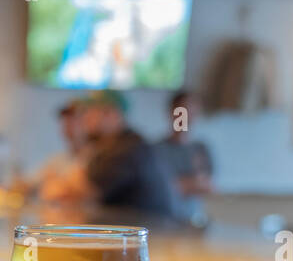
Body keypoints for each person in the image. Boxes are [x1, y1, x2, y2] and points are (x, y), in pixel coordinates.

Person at [79, 91, 179, 219]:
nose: (85, 119)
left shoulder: (129, 148)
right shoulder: (109, 147)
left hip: (151, 234)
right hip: (130, 230)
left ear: (112, 114)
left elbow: (87, 191)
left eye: (91, 112)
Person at [155, 89, 215, 226]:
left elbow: (209, 186)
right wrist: (193, 182)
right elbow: (160, 188)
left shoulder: (201, 149)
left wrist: (179, 184)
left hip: (193, 220)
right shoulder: (157, 150)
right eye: (183, 110)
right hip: (163, 220)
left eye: (192, 111)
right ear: (172, 112)